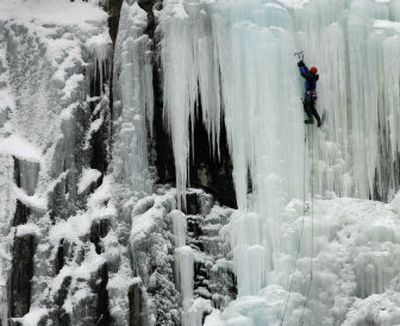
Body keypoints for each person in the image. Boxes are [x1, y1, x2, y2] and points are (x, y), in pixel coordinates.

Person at [298, 60, 321, 127]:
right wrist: (303, 65)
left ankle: (310, 119)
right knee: (312, 108)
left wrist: (300, 67)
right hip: (313, 94)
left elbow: (303, 74)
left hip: (309, 93)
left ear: (311, 71)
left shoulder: (310, 76)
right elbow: (307, 71)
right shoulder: (313, 76)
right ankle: (318, 119)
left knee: (306, 106)